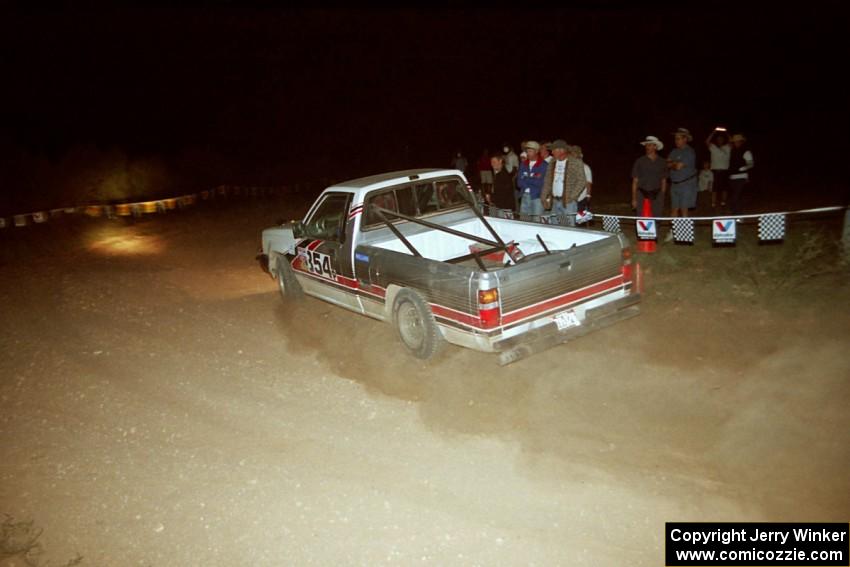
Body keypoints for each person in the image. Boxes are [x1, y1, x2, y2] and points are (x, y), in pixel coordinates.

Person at [541, 139, 586, 226]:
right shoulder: (552, 162)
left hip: (568, 203)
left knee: (569, 227)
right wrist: (543, 196)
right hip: (554, 201)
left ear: (562, 150)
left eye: (554, 150)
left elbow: (581, 181)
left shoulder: (575, 162)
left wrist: (572, 197)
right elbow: (547, 180)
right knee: (555, 226)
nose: (552, 152)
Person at [665, 127, 698, 241]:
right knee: (674, 209)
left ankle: (684, 234)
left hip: (687, 184)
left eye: (678, 138)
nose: (676, 141)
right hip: (674, 183)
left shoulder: (689, 151)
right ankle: (672, 231)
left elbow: (678, 166)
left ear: (685, 139)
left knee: (684, 209)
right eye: (675, 139)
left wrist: (672, 164)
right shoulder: (674, 151)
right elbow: (667, 163)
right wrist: (673, 164)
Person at [631, 135, 668, 219]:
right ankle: (642, 232)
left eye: (649, 145)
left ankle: (656, 231)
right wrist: (634, 199)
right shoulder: (640, 161)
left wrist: (662, 195)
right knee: (641, 217)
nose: (647, 147)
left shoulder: (662, 162)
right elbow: (635, 181)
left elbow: (664, 180)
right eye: (646, 145)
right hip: (642, 193)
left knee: (657, 217)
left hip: (657, 193)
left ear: (655, 146)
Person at [516, 141, 548, 217]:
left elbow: (540, 183)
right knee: (524, 220)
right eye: (527, 151)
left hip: (537, 197)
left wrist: (526, 178)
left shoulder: (543, 165)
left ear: (537, 151)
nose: (528, 153)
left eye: (530, 151)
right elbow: (519, 183)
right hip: (524, 195)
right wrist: (533, 178)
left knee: (537, 221)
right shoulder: (524, 164)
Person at [728, 133, 754, 215]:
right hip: (732, 177)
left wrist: (744, 168)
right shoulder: (732, 151)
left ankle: (737, 213)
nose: (736, 143)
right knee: (734, 195)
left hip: (742, 176)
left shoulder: (746, 151)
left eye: (738, 141)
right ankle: (735, 212)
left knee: (736, 195)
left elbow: (751, 164)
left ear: (741, 142)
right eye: (735, 142)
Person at [705, 128, 731, 208]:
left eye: (721, 139)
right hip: (715, 171)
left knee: (724, 188)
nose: (720, 140)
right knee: (714, 188)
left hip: (725, 171)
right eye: (718, 139)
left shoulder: (727, 147)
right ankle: (713, 203)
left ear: (723, 140)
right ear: (717, 140)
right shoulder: (713, 147)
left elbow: (732, 141)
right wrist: (713, 132)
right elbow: (707, 142)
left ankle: (723, 202)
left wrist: (726, 132)